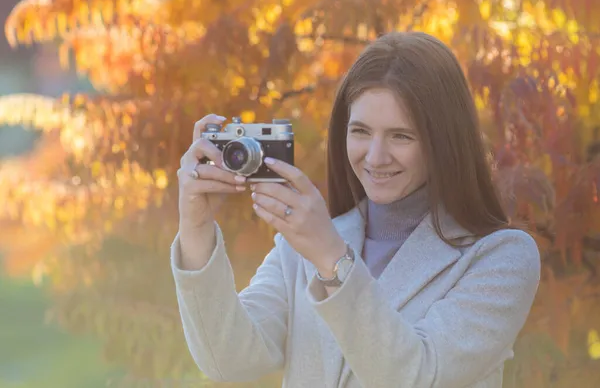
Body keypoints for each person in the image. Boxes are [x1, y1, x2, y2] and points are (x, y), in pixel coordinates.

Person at [170, 31, 541, 388]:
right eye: (361, 131)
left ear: (443, 142)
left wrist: (331, 257)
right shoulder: (302, 246)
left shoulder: (499, 257)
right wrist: (196, 226)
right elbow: (227, 358)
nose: (375, 157)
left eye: (401, 135)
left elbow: (416, 376)